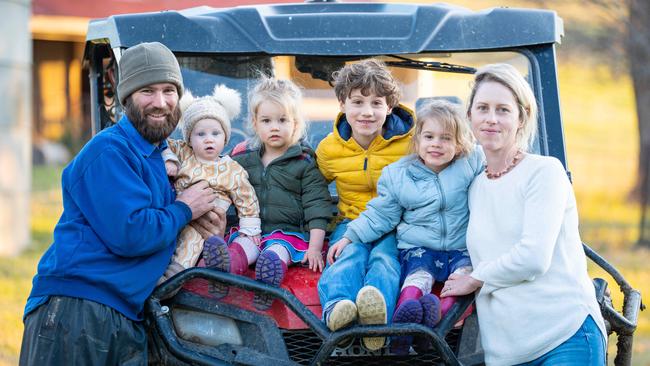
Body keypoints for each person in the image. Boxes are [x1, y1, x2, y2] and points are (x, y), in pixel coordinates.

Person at [19, 42, 224, 365]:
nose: (160, 103)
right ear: (126, 97)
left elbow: (167, 226)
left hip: (125, 313)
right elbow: (131, 232)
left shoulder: (160, 158)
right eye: (147, 91)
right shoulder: (110, 152)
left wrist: (208, 225)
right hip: (77, 309)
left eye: (169, 90)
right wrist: (185, 208)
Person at [442, 63, 607, 365]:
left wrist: (476, 278)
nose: (491, 119)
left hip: (563, 337)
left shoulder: (544, 172)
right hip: (505, 352)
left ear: (522, 117)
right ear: (470, 116)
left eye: (503, 110)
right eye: (483, 108)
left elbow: (533, 257)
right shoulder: (474, 186)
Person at [329, 99, 483, 354]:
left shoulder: (471, 162)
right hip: (419, 247)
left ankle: (435, 327)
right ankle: (401, 330)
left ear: (459, 144)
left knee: (459, 282)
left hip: (460, 246)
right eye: (429, 136)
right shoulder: (399, 175)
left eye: (446, 138)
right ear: (417, 140)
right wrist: (350, 236)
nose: (436, 144)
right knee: (416, 279)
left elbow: (501, 169)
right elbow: (380, 214)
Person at [316, 59, 414, 351]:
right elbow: (310, 187)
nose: (367, 112)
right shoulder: (329, 148)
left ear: (390, 106)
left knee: (385, 259)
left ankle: (376, 322)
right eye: (357, 102)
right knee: (349, 255)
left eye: (376, 103)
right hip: (350, 221)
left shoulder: (411, 144)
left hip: (396, 224)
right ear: (343, 104)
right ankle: (338, 309)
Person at [211, 76, 332, 311]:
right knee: (241, 248)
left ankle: (267, 283)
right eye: (266, 120)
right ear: (255, 124)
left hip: (288, 235)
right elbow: (219, 182)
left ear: (296, 124)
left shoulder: (304, 162)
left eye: (282, 120)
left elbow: (317, 206)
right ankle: (223, 272)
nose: (274, 126)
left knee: (275, 253)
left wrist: (315, 248)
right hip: (252, 231)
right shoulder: (242, 159)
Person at [159, 84, 261, 284]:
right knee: (167, 240)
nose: (209, 140)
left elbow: (246, 198)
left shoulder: (233, 169)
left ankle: (174, 278)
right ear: (189, 138)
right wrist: (169, 159)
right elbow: (162, 142)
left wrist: (250, 230)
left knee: (191, 242)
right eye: (201, 134)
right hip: (177, 211)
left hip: (208, 219)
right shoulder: (183, 153)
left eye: (215, 133)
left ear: (225, 137)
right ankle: (156, 271)